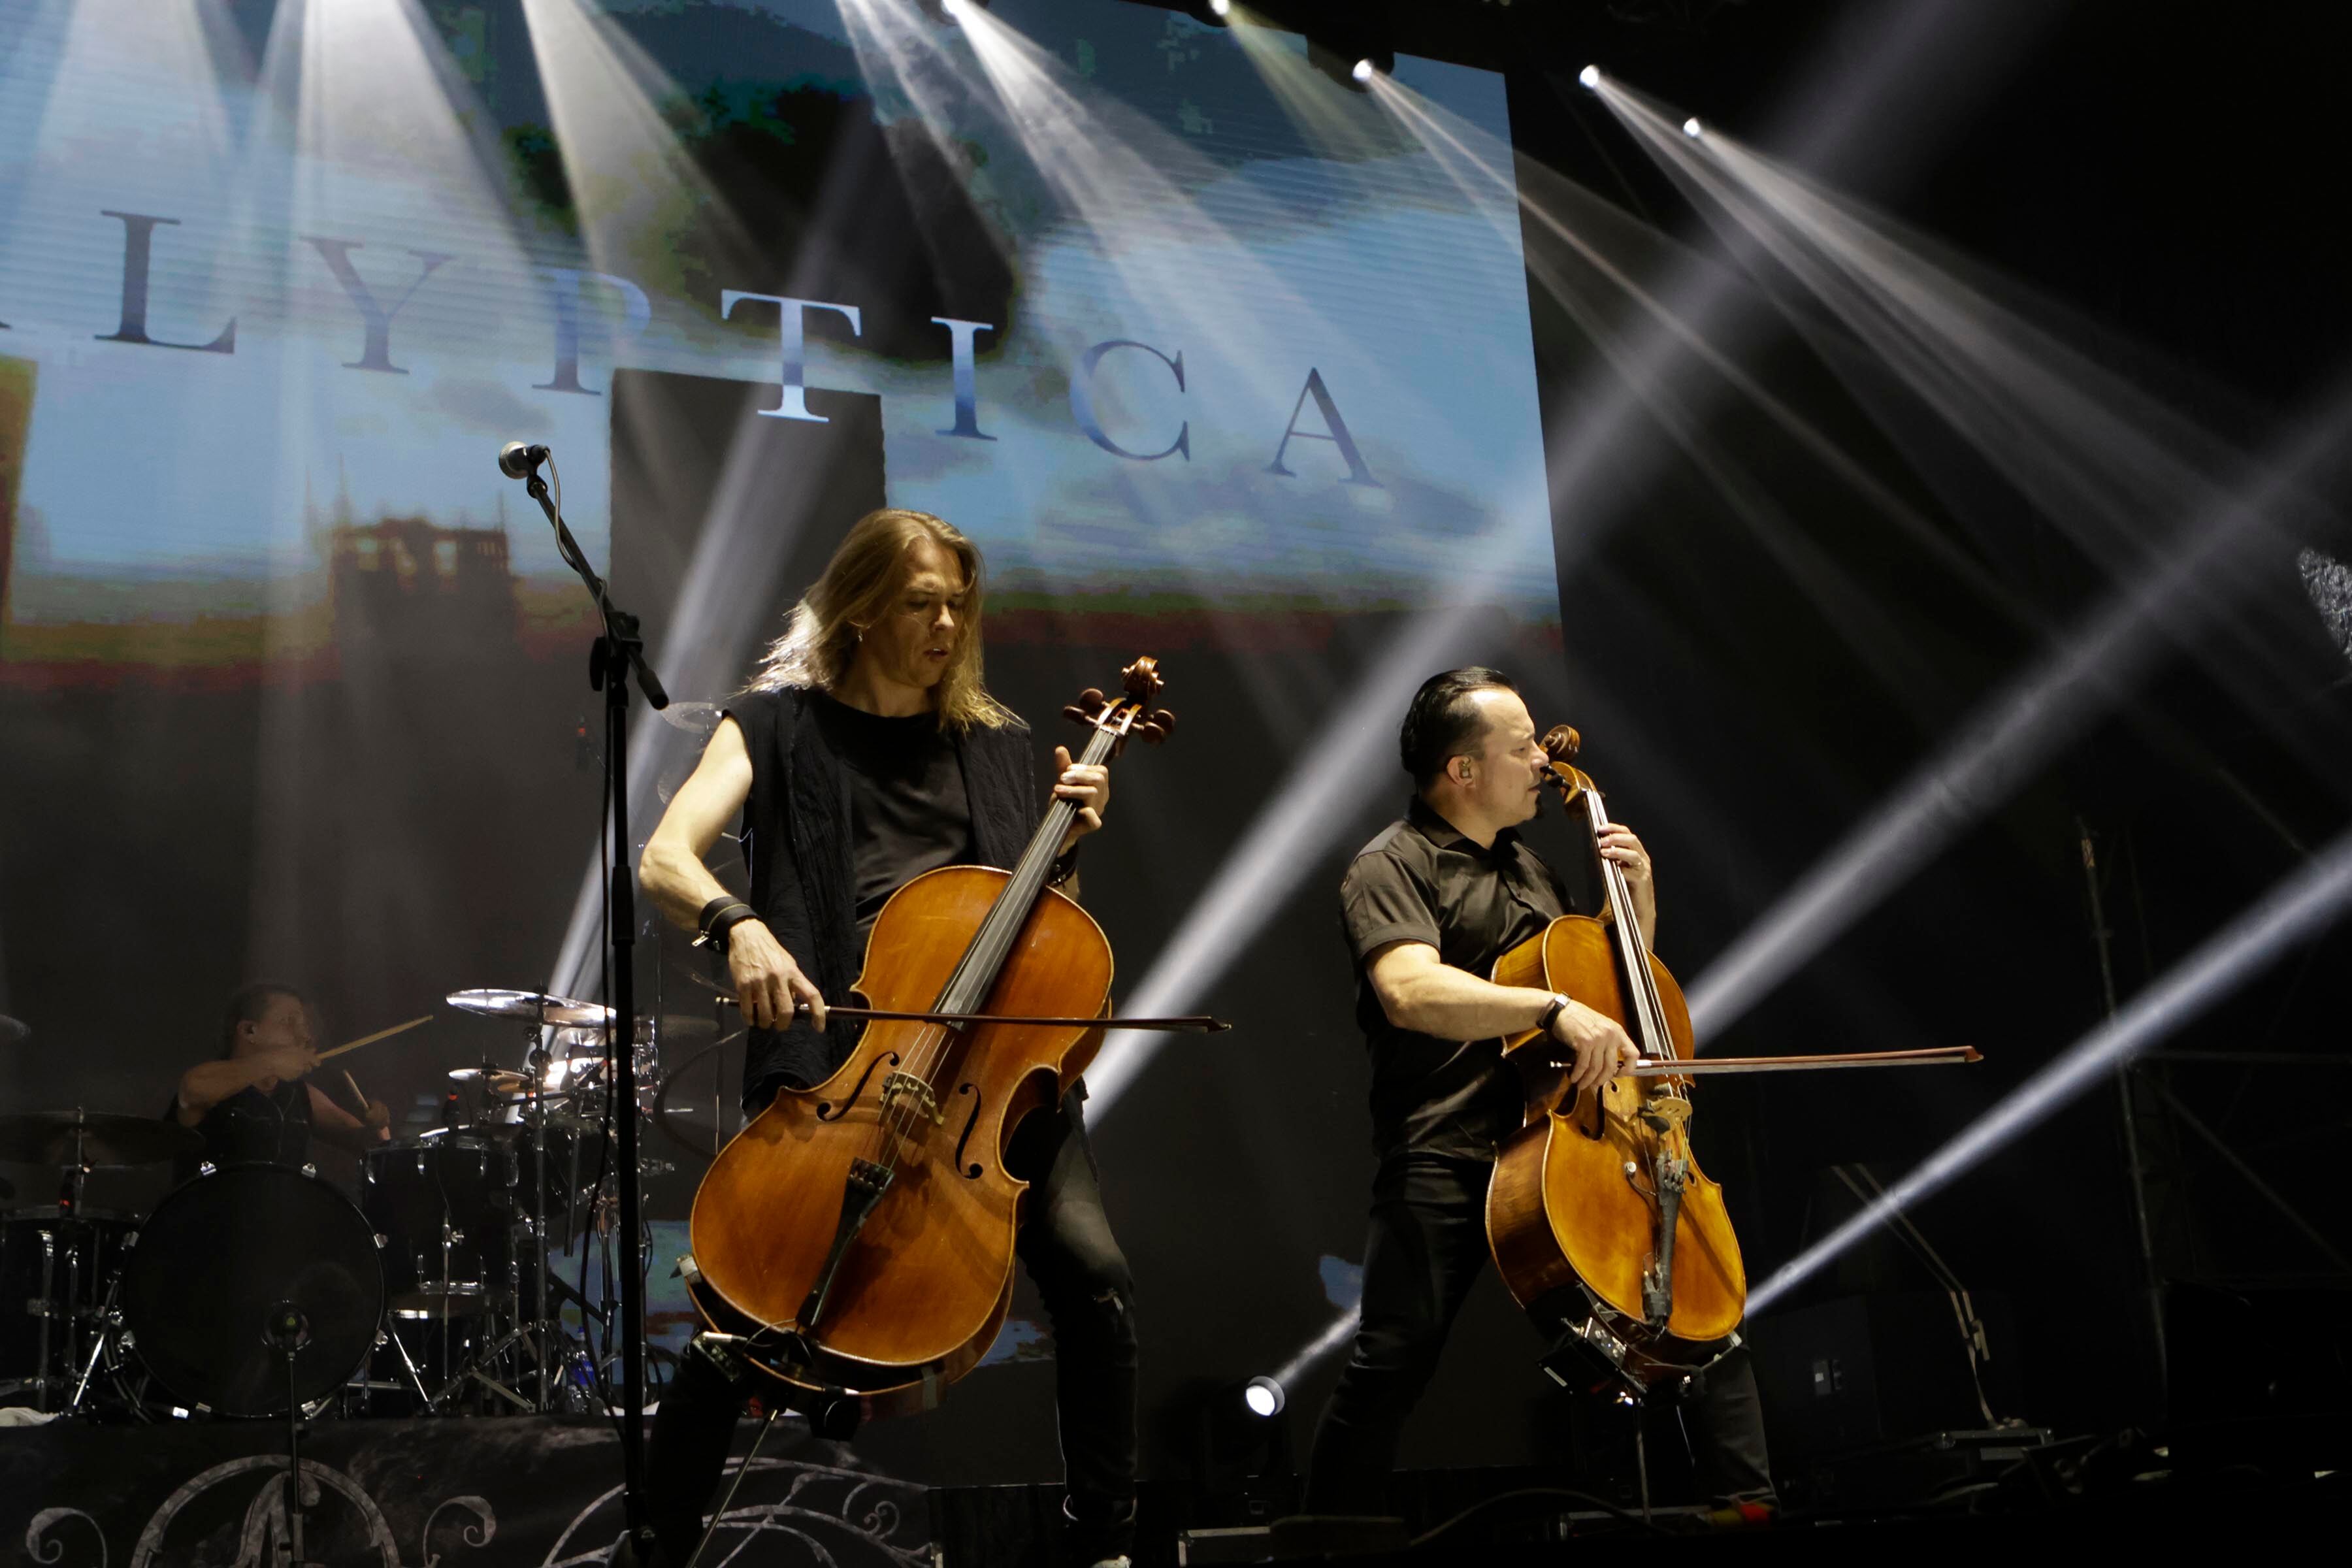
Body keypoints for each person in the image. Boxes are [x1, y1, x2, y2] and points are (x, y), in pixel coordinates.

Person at [638, 508, 1134, 1568]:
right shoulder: (772, 726)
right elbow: (666, 858)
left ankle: (1100, 1537)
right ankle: (656, 1548)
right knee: (750, 1310)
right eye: (921, 604)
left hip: (990, 1071)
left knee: (1094, 1275)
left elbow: (1046, 936)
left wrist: (1069, 848)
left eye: (958, 604)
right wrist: (739, 926)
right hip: (843, 1053)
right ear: (860, 610)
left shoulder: (997, 745)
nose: (948, 625)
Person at [1304, 667, 1773, 1515]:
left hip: (1574, 1149)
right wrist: (1548, 1009)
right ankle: (1327, 1532)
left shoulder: (1531, 870)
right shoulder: (1393, 864)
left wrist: (1635, 906)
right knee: (1395, 1357)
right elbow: (1409, 989)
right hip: (1449, 1148)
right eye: (1521, 747)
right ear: (1462, 770)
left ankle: (1750, 1509)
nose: (1542, 762)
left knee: (1699, 1329)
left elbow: (1607, 997)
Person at [170, 981, 391, 1181]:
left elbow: (370, 1145)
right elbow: (193, 1089)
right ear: (249, 1030)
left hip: (287, 1209)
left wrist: (376, 1124)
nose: (305, 1036)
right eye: (289, 1021)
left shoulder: (301, 1093)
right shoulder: (210, 1080)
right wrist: (271, 1063)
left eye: (304, 1025)